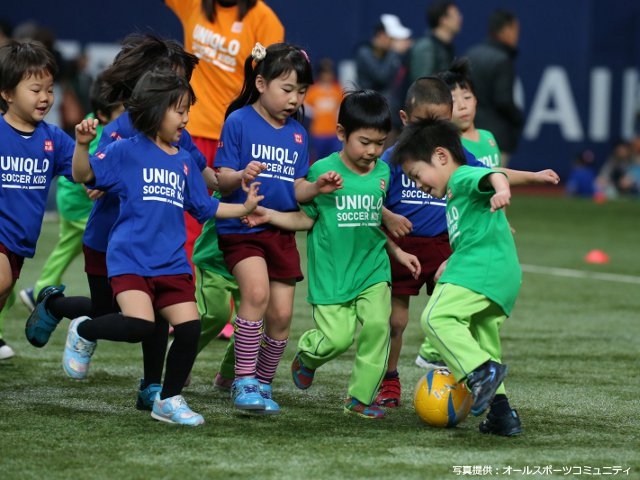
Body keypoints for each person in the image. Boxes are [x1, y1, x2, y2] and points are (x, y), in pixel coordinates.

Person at [65, 69, 264, 426]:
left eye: (188, 110)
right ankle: (84, 329)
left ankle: (169, 400)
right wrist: (82, 145)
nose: (186, 118)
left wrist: (245, 208)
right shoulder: (125, 151)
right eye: (179, 110)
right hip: (131, 260)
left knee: (188, 328)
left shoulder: (185, 160)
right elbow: (84, 176)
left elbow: (206, 207)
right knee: (140, 325)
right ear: (155, 109)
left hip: (172, 264)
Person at [375, 74, 559, 409]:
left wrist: (525, 181)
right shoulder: (399, 157)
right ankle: (394, 379)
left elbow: (491, 175)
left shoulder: (457, 168)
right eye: (423, 123)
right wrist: (387, 216)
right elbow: (371, 189)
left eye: (438, 123)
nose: (429, 133)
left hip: (448, 247)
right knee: (399, 320)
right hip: (409, 248)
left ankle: (468, 368)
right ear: (405, 119)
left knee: (444, 315)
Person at [244, 89, 420, 419]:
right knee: (336, 339)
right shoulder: (322, 172)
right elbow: (305, 218)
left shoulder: (383, 172)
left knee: (378, 328)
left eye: (380, 143)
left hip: (372, 269)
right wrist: (269, 215)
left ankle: (360, 398)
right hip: (333, 274)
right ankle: (308, 356)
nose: (372, 151)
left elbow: (371, 214)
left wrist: (395, 248)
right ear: (341, 133)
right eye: (365, 142)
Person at [215, 42, 342, 414]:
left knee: (283, 315)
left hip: (280, 231)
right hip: (242, 228)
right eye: (287, 89)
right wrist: (242, 175)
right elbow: (221, 179)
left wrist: (316, 188)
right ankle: (243, 381)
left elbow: (296, 188)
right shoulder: (238, 121)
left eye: (301, 92)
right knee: (255, 295)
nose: (294, 99)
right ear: (260, 82)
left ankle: (264, 382)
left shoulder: (298, 134)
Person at [392, 116, 522, 436]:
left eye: (417, 175)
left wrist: (502, 189)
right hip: (500, 276)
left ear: (441, 156)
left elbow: (491, 174)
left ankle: (481, 373)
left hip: (483, 271)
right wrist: (450, 262)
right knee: (481, 340)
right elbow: (469, 235)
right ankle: (502, 414)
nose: (419, 184)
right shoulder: (454, 197)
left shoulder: (461, 177)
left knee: (435, 318)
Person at [163, 0, 284, 268]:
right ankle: (183, 299)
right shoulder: (193, 5)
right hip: (188, 130)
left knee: (227, 227)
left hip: (232, 140)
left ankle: (224, 304)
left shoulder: (263, 19)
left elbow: (270, 81)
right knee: (183, 222)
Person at [19, 75, 124, 312]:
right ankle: (40, 292)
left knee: (68, 246)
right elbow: (87, 172)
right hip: (78, 202)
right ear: (104, 115)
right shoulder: (99, 135)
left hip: (70, 199)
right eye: (123, 112)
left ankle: (38, 290)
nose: (128, 118)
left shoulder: (94, 122)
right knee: (101, 242)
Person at [0, 40, 75, 359]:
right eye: (35, 89)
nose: (45, 97)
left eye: (49, 89)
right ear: (6, 93)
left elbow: (84, 173)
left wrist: (86, 151)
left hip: (20, 242)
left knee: (4, 292)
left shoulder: (54, 138)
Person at [465, 9, 523, 167]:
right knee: (496, 187)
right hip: (495, 140)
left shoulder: (470, 54)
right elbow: (504, 101)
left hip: (469, 134)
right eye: (515, 30)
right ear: (504, 31)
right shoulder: (503, 60)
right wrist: (518, 119)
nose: (517, 36)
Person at [355, 14, 412, 141]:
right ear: (381, 35)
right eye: (392, 39)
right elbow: (381, 76)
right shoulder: (364, 52)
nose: (394, 43)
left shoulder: (389, 56)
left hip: (390, 118)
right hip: (370, 117)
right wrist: (395, 52)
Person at [409, 1, 462, 82]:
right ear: (443, 20)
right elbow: (422, 86)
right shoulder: (425, 47)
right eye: (456, 15)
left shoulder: (448, 47)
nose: (460, 18)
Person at [304, 58, 343, 163]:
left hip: (334, 133)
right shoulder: (313, 90)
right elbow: (305, 107)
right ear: (320, 74)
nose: (328, 75)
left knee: (335, 161)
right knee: (318, 161)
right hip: (318, 133)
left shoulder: (337, 89)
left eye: (330, 72)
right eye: (325, 72)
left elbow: (342, 108)